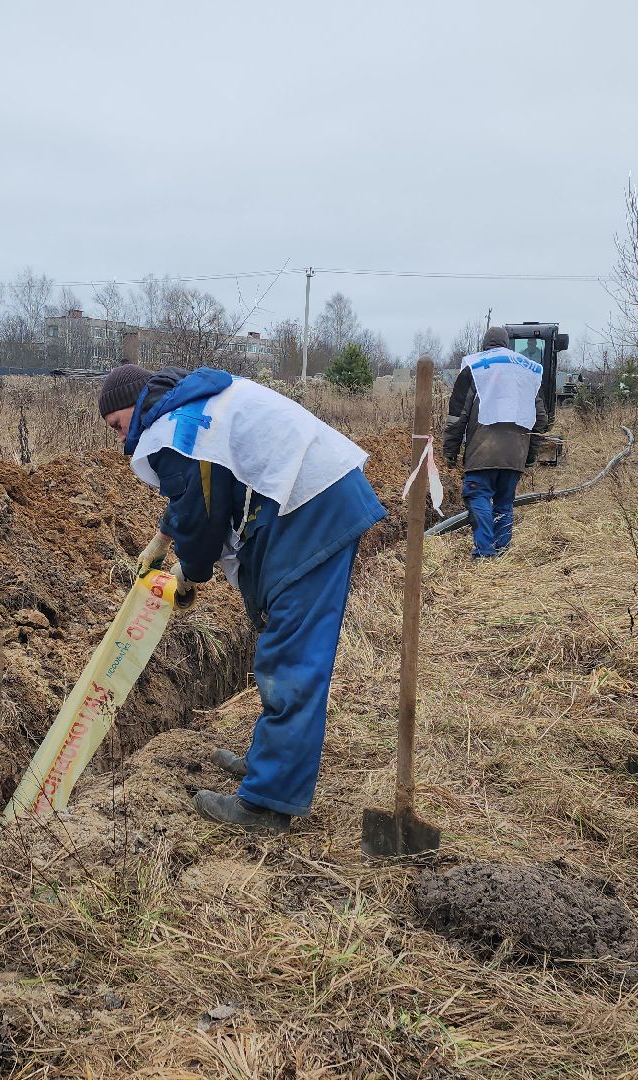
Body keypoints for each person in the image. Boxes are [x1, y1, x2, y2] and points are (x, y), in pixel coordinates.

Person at [97, 363, 386, 833]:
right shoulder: (188, 409)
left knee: (291, 657)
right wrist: (162, 539)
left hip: (314, 510)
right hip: (310, 500)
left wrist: (190, 572)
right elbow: (207, 477)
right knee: (282, 640)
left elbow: (201, 512)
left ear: (136, 403)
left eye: (117, 425)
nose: (120, 438)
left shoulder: (171, 426)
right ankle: (268, 762)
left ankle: (267, 802)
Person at [443, 326, 549, 558]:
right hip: (515, 455)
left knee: (477, 495)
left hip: (482, 452)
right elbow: (540, 419)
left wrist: (450, 451)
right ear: (507, 344)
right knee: (504, 502)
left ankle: (484, 552)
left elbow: (457, 416)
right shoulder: (529, 371)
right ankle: (501, 552)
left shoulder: (474, 367)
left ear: (484, 344)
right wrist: (530, 454)